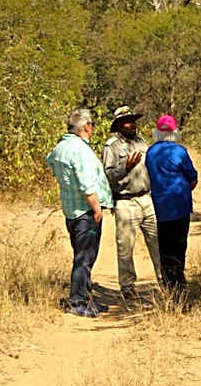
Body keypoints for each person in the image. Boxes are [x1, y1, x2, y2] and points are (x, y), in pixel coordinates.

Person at [46, 108, 113, 318]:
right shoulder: (80, 150)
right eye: (91, 124)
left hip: (71, 210)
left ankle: (87, 297)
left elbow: (51, 162)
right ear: (86, 127)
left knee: (81, 255)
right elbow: (86, 184)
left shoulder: (60, 147)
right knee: (85, 257)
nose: (92, 127)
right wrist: (96, 208)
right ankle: (78, 301)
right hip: (85, 211)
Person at [102, 105, 162, 297]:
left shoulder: (142, 143)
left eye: (133, 120)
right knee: (125, 247)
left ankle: (166, 282)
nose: (132, 124)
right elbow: (107, 175)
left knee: (158, 244)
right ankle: (128, 288)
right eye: (128, 121)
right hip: (125, 202)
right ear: (119, 124)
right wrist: (124, 167)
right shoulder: (111, 146)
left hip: (146, 199)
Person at [145, 114, 198, 293]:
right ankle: (179, 281)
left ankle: (169, 285)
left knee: (165, 247)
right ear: (175, 132)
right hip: (180, 205)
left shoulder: (151, 152)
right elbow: (192, 177)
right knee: (179, 245)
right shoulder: (180, 151)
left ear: (156, 132)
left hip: (160, 206)